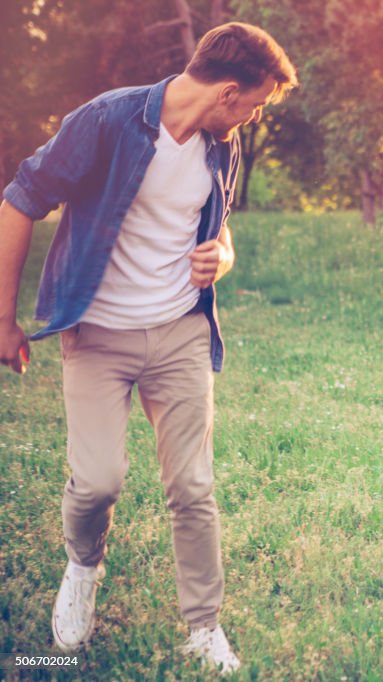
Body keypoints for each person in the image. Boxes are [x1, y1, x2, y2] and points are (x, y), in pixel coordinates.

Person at [0, 22, 297, 673]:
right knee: (98, 481)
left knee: (192, 483)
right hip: (97, 334)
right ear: (226, 92)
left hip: (180, 333)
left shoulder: (222, 147)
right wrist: (4, 319)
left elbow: (221, 234)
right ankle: (83, 567)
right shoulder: (106, 121)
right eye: (255, 103)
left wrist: (222, 256)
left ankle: (203, 626)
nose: (253, 115)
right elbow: (20, 199)